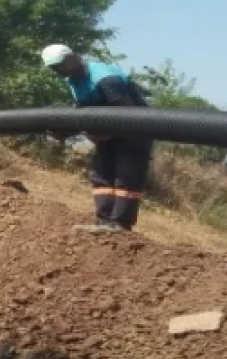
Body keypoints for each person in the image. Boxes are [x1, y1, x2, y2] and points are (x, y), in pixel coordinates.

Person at [41, 43, 153, 234]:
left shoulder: (105, 78)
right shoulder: (74, 82)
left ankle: (120, 224)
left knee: (126, 176)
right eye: (54, 68)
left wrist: (108, 133)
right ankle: (104, 221)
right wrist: (66, 132)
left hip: (134, 132)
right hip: (108, 134)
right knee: (102, 175)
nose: (59, 70)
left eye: (61, 64)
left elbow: (129, 114)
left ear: (73, 57)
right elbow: (86, 113)